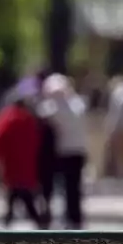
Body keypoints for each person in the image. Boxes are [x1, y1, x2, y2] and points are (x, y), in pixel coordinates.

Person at [0, 81, 47, 228]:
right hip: (26, 165)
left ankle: (11, 221)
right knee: (22, 193)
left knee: (16, 194)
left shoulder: (6, 118)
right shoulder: (29, 119)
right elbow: (36, 142)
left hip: (11, 165)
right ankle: (31, 221)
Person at [38, 73, 89, 228]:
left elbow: (42, 113)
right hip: (78, 151)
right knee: (73, 187)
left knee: (66, 187)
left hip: (65, 152)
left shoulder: (53, 108)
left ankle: (71, 217)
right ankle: (74, 217)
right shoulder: (78, 104)